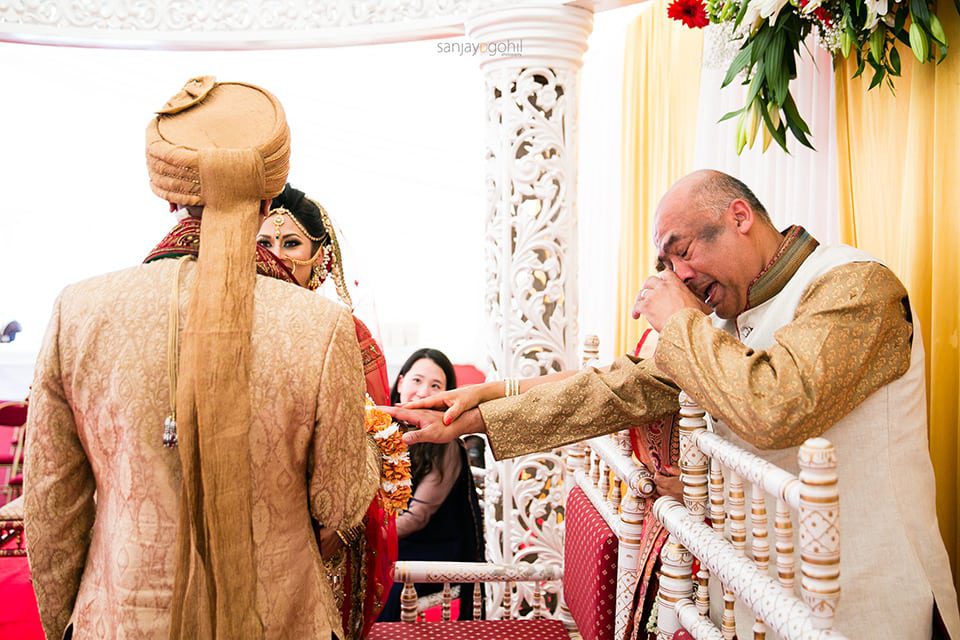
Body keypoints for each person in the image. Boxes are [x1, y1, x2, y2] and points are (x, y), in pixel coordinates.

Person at [388, 170, 960, 639]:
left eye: (680, 252)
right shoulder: (728, 321)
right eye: (666, 266)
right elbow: (620, 386)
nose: (678, 275)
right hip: (759, 602)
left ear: (739, 217)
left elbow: (776, 406)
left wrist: (681, 321)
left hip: (866, 602)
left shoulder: (855, 286)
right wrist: (481, 408)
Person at [23, 77, 376, 640]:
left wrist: (72, 620)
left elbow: (50, 507)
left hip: (121, 619)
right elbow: (338, 502)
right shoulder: (321, 326)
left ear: (168, 195)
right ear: (269, 193)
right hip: (280, 618)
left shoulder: (79, 311)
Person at [255, 183, 395, 639]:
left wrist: (339, 521)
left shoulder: (347, 334)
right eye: (265, 243)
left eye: (291, 243)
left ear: (322, 257)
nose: (277, 256)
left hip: (329, 527)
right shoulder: (229, 327)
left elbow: (376, 437)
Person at [377, 348, 484, 622]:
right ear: (401, 383)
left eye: (435, 386)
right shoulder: (382, 426)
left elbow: (417, 517)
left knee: (377, 578)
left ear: (447, 396)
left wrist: (371, 536)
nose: (423, 391)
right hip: (392, 534)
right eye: (416, 381)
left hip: (429, 545)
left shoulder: (445, 444)